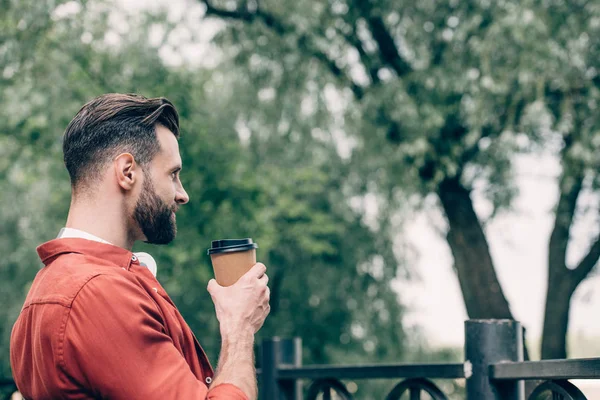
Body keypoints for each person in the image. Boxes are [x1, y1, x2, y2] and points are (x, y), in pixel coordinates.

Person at [10, 93, 270, 399]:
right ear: (127, 172)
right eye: (173, 174)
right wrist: (239, 327)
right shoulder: (98, 292)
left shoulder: (51, 284)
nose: (182, 194)